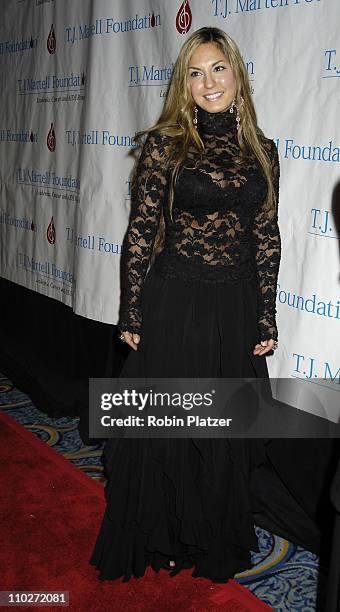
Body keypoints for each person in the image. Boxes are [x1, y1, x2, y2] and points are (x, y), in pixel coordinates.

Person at [89, 26, 281, 583]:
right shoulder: (165, 145)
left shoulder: (263, 152)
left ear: (237, 76)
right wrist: (132, 310)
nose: (209, 81)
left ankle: (211, 534)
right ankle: (165, 536)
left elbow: (267, 236)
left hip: (236, 305)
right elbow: (142, 232)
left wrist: (267, 313)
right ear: (184, 84)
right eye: (196, 72)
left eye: (218, 68)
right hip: (176, 298)